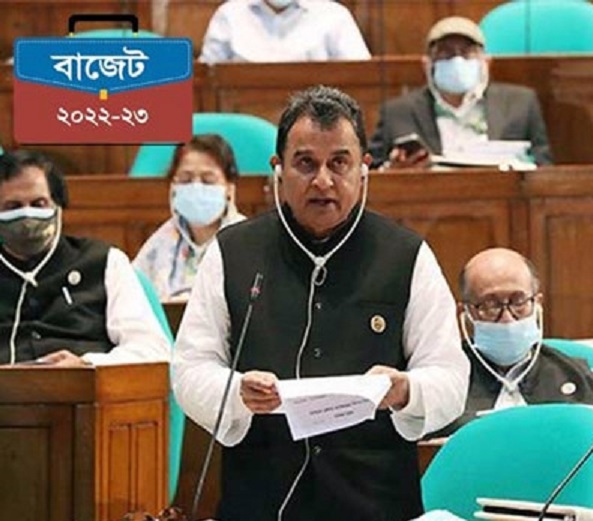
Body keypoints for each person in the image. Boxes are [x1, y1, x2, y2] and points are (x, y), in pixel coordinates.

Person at [173, 86, 469, 521]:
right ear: (278, 169)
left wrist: (406, 390)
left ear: (364, 169)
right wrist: (236, 392)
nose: (323, 181)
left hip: (375, 501)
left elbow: (451, 376)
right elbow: (189, 368)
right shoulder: (232, 252)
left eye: (339, 163)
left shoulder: (407, 255)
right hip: (260, 497)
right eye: (306, 164)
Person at [435, 247, 593, 436]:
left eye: (518, 301)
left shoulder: (586, 376)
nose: (507, 317)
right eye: (490, 304)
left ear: (537, 303)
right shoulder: (443, 381)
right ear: (467, 313)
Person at [0, 151, 170, 366]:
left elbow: (153, 350)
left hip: (87, 385)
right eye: (13, 207)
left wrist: (86, 364)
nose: (27, 215)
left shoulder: (105, 262)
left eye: (39, 204)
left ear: (58, 207)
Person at [368, 16, 552, 169]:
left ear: (486, 62)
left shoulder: (520, 104)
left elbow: (543, 166)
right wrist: (391, 170)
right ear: (427, 64)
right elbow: (371, 173)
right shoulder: (397, 113)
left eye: (467, 52)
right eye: (445, 53)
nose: (457, 60)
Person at [133, 134, 246, 301]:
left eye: (208, 180)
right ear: (173, 187)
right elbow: (132, 292)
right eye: (186, 179)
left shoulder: (247, 240)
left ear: (229, 188)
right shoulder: (161, 240)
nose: (196, 187)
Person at [199, 0, 371, 64]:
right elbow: (205, 77)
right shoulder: (229, 14)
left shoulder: (334, 14)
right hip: (243, 116)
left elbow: (361, 74)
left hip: (320, 122)